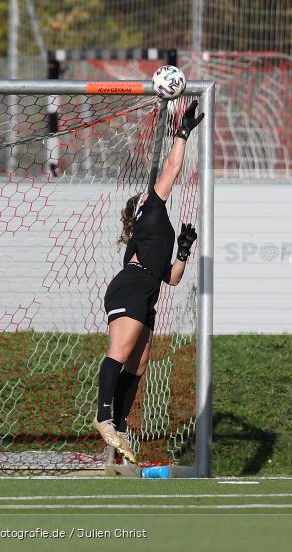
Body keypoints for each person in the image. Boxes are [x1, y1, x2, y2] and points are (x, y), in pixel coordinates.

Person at [92, 100, 204, 463]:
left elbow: (171, 278)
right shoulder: (151, 209)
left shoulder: (154, 228)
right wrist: (181, 133)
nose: (148, 191)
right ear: (139, 208)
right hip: (132, 288)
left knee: (138, 366)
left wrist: (183, 251)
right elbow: (172, 167)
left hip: (147, 290)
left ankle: (121, 426)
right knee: (120, 353)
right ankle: (103, 417)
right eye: (142, 195)